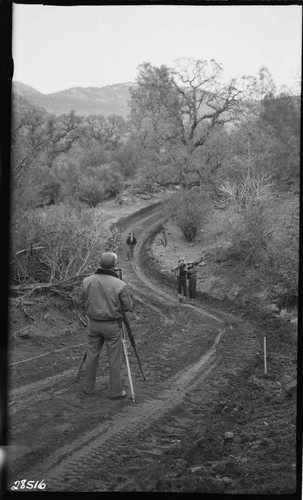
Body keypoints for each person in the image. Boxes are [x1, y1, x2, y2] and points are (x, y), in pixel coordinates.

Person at [78, 252, 133, 399]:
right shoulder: (120, 284)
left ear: (100, 263)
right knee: (114, 358)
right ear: (114, 266)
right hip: (112, 326)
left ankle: (88, 388)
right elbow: (128, 307)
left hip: (92, 324)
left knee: (91, 356)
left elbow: (80, 301)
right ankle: (115, 392)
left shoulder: (87, 281)